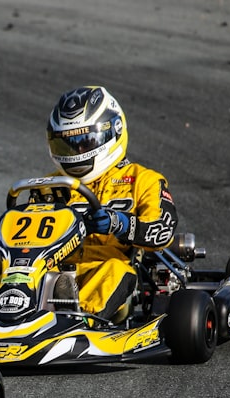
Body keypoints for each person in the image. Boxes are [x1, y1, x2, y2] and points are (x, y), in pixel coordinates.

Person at [44, 85, 179, 322]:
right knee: (21, 273)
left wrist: (120, 223)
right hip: (55, 267)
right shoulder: (49, 185)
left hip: (107, 265)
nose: (77, 150)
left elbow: (163, 232)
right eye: (68, 144)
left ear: (113, 130)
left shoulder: (144, 180)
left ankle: (77, 319)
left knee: (116, 270)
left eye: (84, 141)